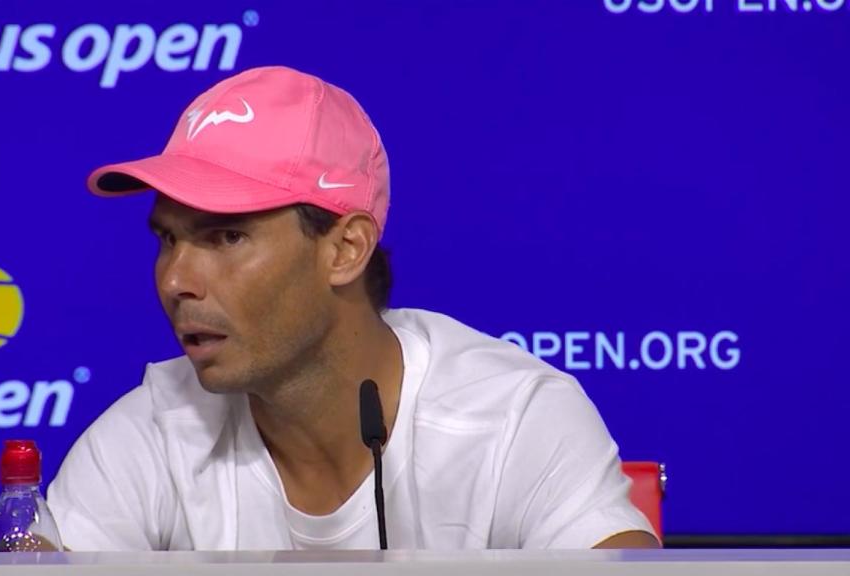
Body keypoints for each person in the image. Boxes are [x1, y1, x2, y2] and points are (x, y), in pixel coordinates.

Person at [47, 65, 659, 551]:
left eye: (225, 237)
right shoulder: (151, 430)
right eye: (167, 239)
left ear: (346, 249)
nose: (176, 279)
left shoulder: (513, 420)